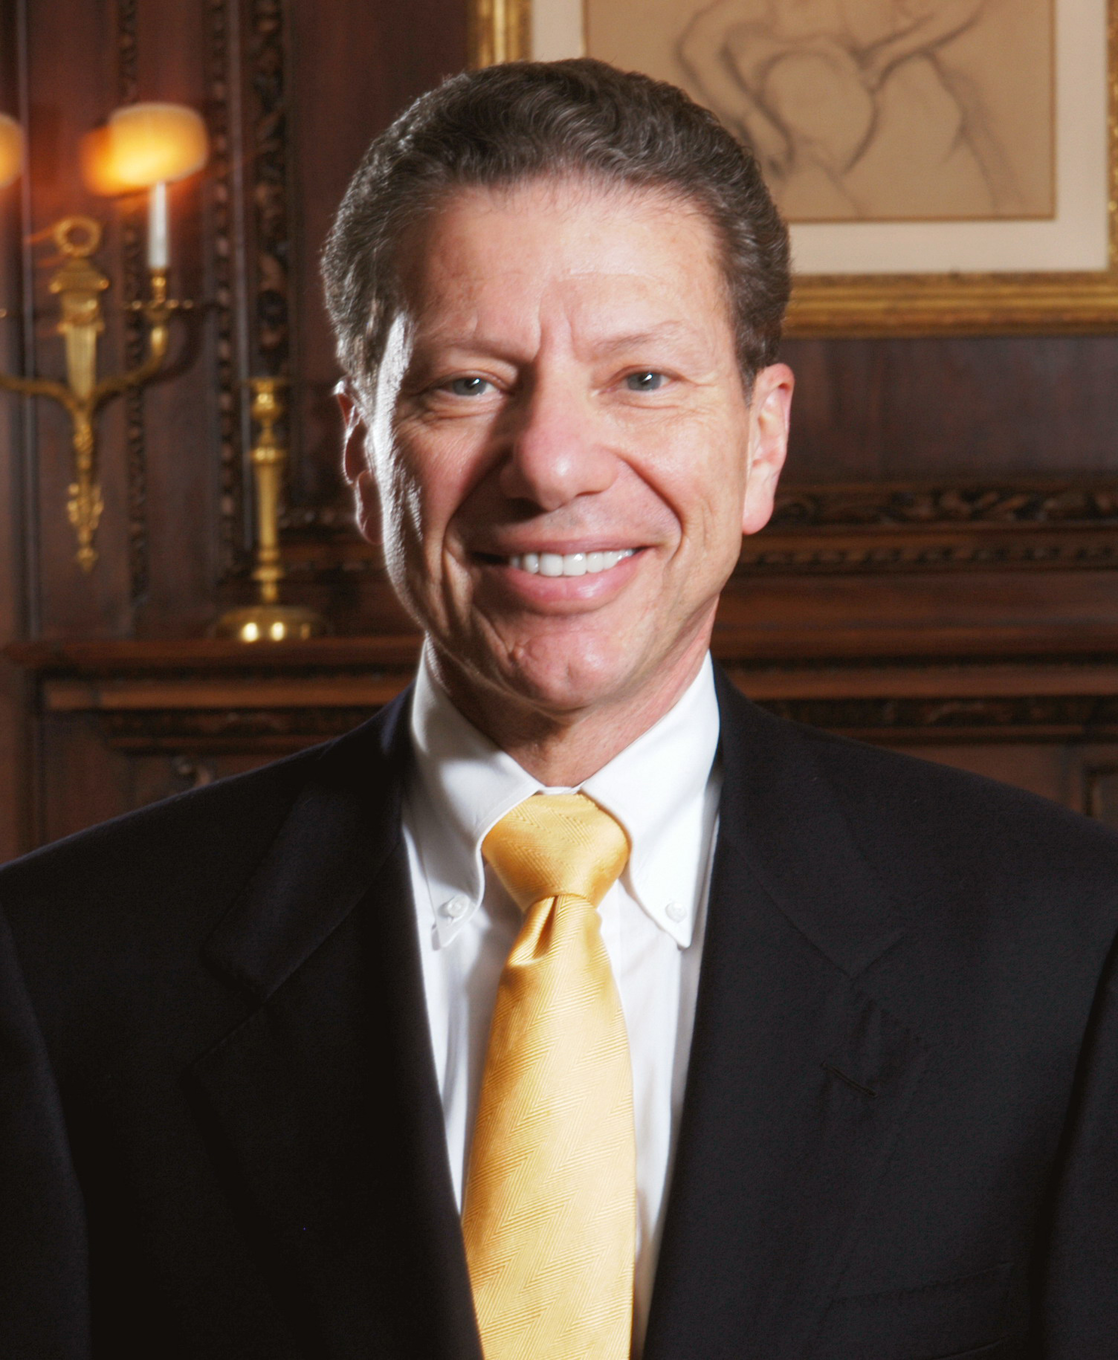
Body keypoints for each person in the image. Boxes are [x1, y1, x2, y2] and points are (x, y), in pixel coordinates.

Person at [1, 57, 1116, 1360]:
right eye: (468, 384)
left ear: (760, 442)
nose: (552, 463)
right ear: (361, 454)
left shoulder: (1060, 947)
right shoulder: (63, 967)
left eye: (642, 379)